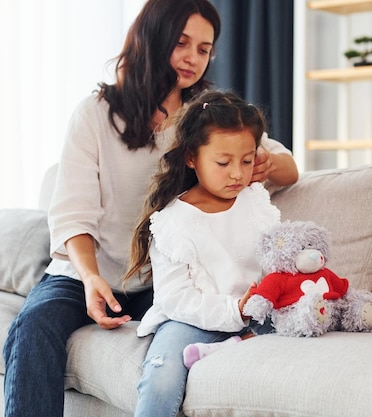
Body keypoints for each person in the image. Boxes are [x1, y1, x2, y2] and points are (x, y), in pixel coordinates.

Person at [2, 1, 298, 416]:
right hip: (87, 273)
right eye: (182, 43)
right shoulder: (95, 114)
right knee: (30, 328)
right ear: (152, 39)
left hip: (160, 281)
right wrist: (90, 280)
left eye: (204, 48)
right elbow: (73, 215)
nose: (193, 58)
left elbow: (288, 166)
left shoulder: (205, 116)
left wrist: (267, 162)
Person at [125, 89, 282, 417]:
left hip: (257, 312)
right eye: (223, 163)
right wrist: (233, 310)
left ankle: (235, 344)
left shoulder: (254, 199)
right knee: (161, 375)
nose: (238, 173)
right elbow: (176, 299)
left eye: (247, 160)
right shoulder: (172, 222)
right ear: (191, 157)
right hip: (191, 318)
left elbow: (277, 255)